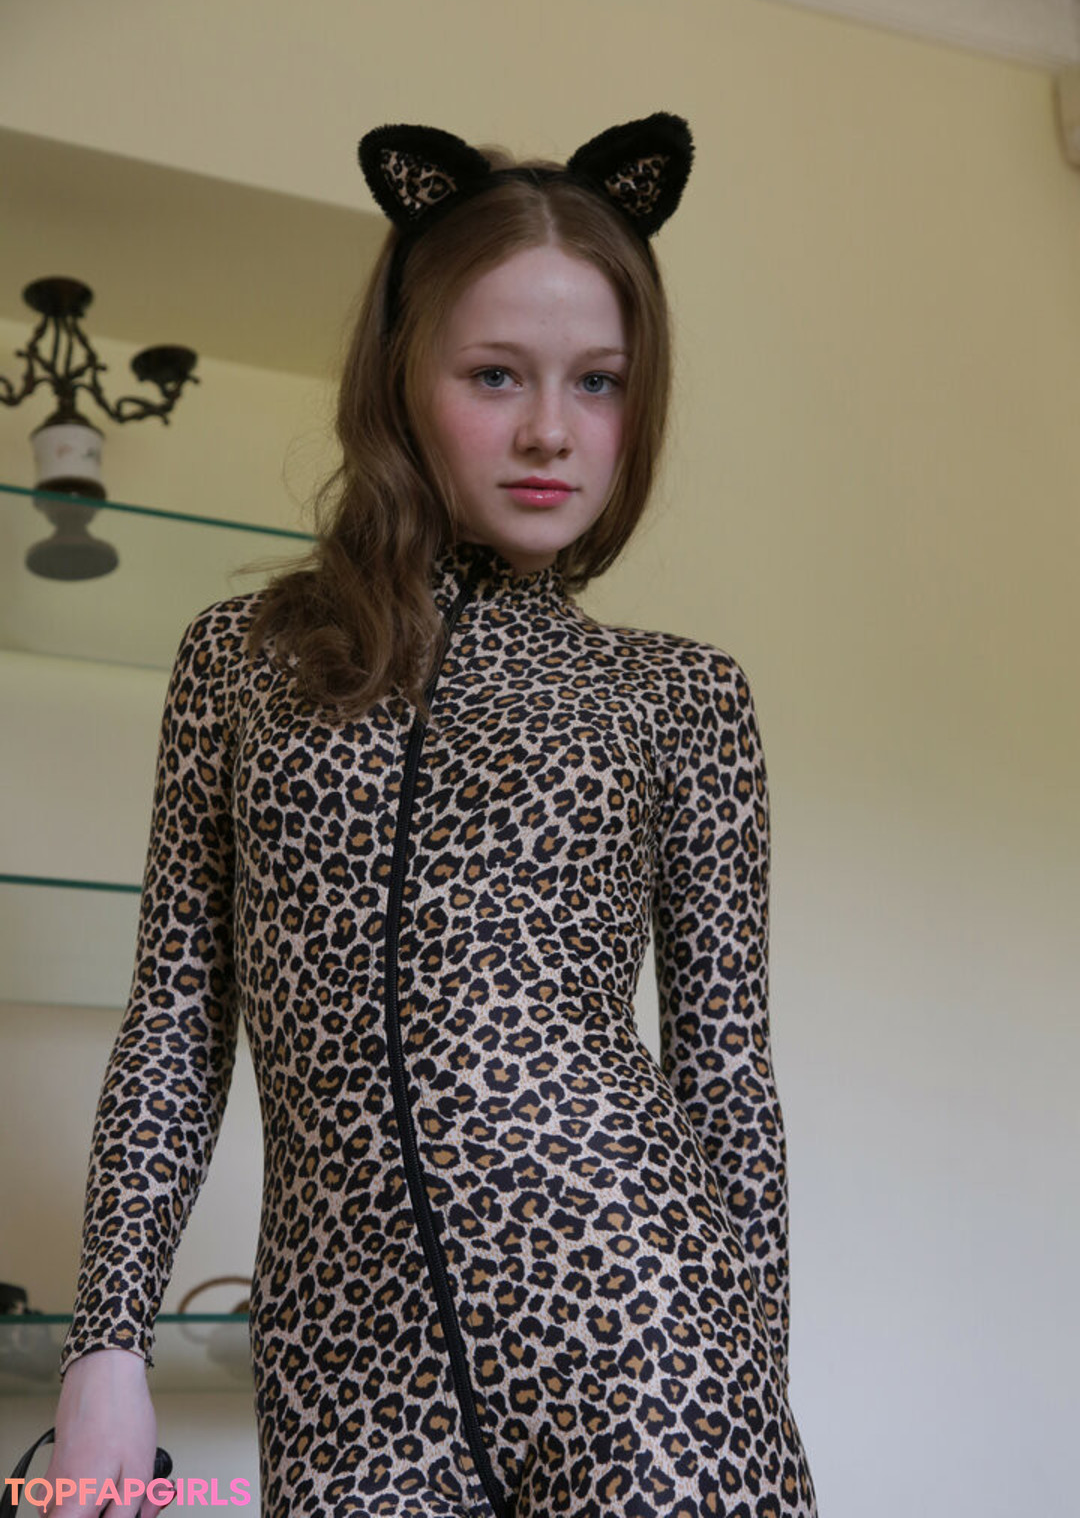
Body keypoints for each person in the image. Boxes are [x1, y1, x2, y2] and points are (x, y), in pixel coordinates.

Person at [43, 114, 818, 1518]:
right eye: (495, 373)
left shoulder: (680, 694)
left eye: (600, 381)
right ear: (403, 378)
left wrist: (754, 1378)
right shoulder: (243, 664)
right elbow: (175, 1021)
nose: (550, 428)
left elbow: (725, 1080)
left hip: (649, 1340)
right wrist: (107, 1345)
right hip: (345, 1373)